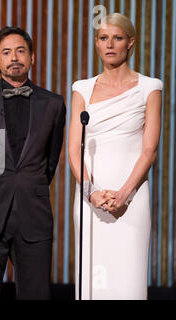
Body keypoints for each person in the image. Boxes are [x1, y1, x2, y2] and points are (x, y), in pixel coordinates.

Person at [0, 26, 66, 299]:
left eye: (20, 51)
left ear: (32, 57)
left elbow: (50, 161)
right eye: (6, 52)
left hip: (33, 214)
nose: (14, 57)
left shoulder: (54, 104)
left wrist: (26, 185)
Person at [68, 13, 162, 300]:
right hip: (89, 198)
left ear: (130, 43)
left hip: (131, 199)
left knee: (127, 284)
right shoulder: (81, 88)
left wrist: (124, 194)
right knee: (92, 284)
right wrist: (90, 192)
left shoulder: (150, 87)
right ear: (97, 44)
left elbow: (149, 149)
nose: (110, 44)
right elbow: (74, 147)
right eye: (103, 38)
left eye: (117, 38)